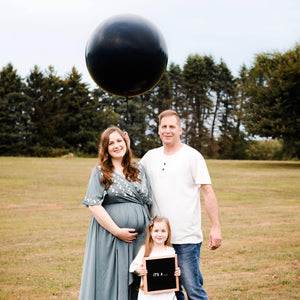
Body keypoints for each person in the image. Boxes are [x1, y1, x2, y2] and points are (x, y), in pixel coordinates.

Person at [140, 110, 222, 300]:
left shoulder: (193, 156)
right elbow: (132, 177)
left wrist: (216, 228)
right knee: (170, 292)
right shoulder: (149, 157)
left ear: (180, 130)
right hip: (159, 240)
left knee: (193, 290)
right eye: (164, 127)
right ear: (158, 130)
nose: (167, 130)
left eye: (172, 126)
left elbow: (208, 192)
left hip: (186, 238)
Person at [79, 126, 152, 300]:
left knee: (139, 280)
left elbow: (148, 202)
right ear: (105, 148)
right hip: (111, 237)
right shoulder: (100, 171)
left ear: (126, 142)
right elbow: (94, 205)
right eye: (111, 143)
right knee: (112, 280)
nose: (116, 145)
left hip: (140, 237)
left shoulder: (139, 169)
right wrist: (117, 231)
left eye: (119, 141)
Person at [129, 216, 181, 300]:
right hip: (149, 295)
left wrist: (177, 272)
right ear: (150, 232)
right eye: (156, 231)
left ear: (168, 233)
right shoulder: (145, 250)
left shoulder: (170, 251)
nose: (159, 234)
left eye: (163, 231)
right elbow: (133, 267)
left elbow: (172, 269)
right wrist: (139, 270)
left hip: (166, 294)